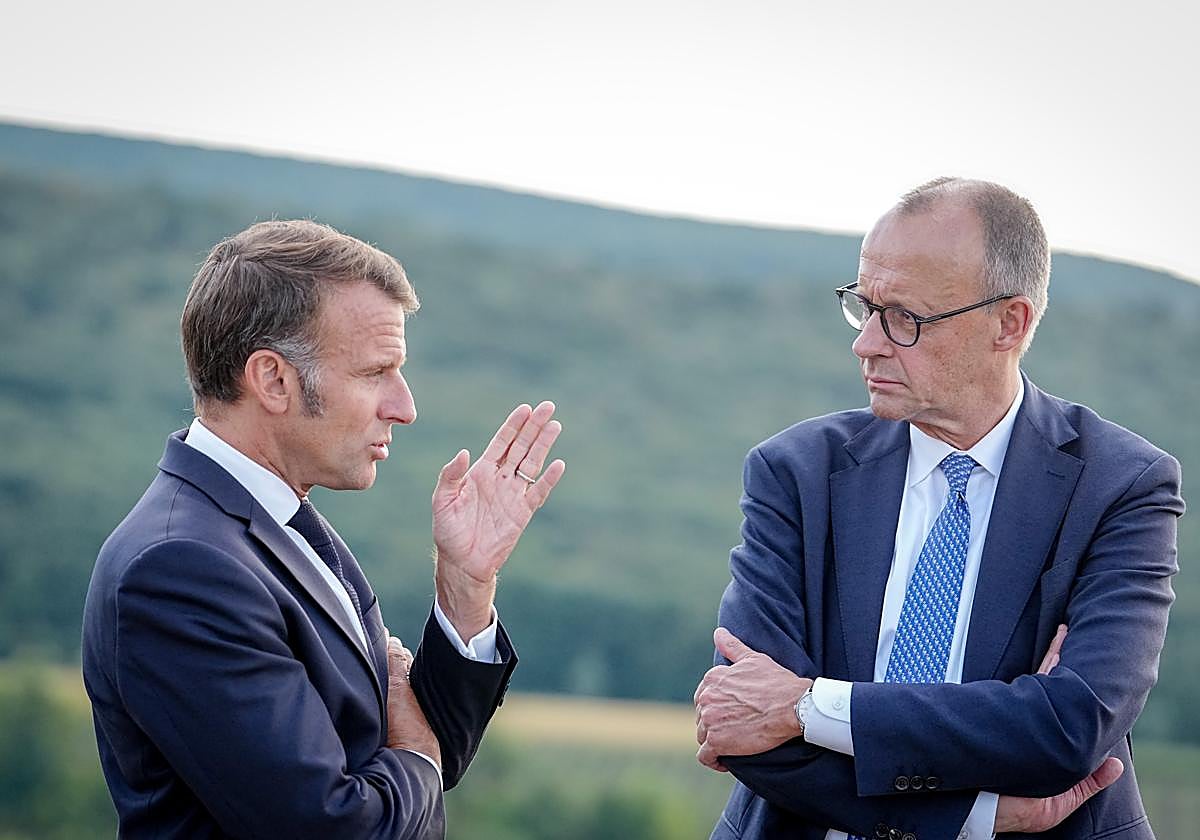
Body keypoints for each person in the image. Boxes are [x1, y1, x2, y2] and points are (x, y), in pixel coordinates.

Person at [694, 178, 1183, 839]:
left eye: (905, 318)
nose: (866, 343)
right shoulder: (796, 471)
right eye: (864, 307)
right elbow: (748, 726)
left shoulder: (1122, 485)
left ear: (1009, 323)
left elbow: (1069, 727)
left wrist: (809, 706)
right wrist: (974, 815)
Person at [82, 220, 565, 839]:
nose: (405, 406)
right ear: (273, 380)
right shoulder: (179, 568)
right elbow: (338, 826)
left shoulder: (285, 524)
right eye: (375, 372)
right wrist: (419, 755)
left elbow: (403, 748)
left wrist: (465, 586)